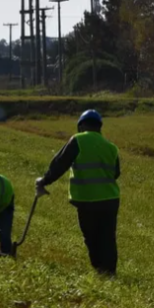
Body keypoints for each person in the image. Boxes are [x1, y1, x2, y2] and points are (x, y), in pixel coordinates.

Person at [36, 109, 121, 276]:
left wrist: (45, 180)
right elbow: (116, 173)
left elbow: (60, 163)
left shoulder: (78, 140)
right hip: (110, 199)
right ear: (99, 127)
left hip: (87, 199)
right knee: (108, 236)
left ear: (81, 126)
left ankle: (99, 268)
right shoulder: (111, 147)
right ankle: (110, 271)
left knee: (91, 235)